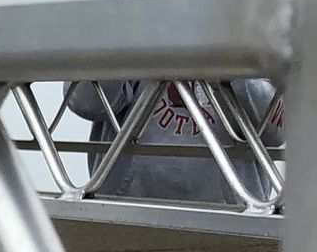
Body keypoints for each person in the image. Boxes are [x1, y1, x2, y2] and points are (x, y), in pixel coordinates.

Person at [62, 80, 281, 205]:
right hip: (123, 220)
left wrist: (231, 61)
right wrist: (123, 28)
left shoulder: (257, 20)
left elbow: (279, 130)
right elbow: (85, 102)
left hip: (234, 225)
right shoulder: (128, 13)